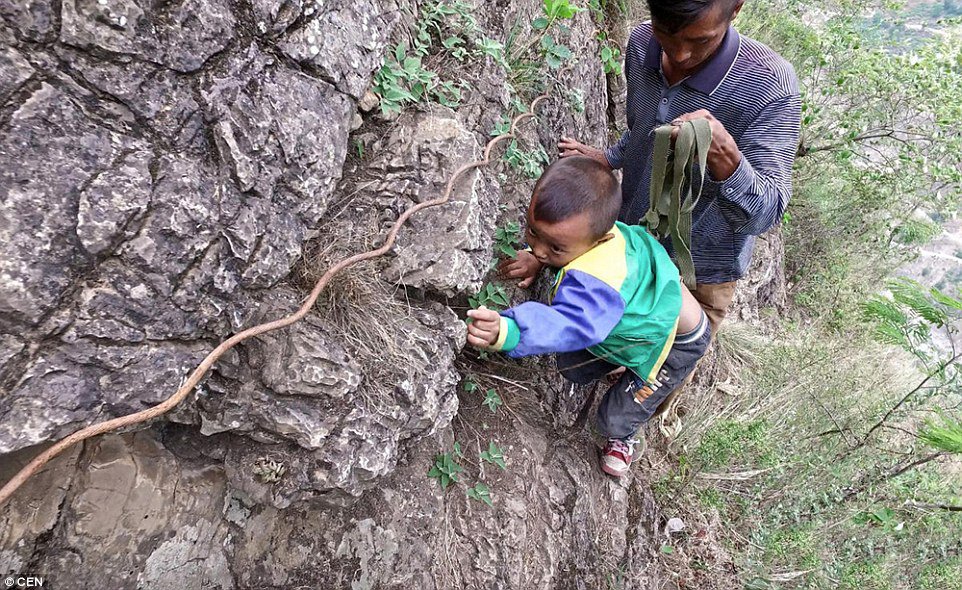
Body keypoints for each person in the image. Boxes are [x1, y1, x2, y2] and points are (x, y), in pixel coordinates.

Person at [506, 0, 802, 336]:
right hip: (624, 243)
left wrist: (725, 158)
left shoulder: (769, 87)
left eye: (700, 40)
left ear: (735, 9)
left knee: (655, 377)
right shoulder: (642, 45)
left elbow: (766, 213)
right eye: (667, 34)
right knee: (601, 346)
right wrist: (610, 157)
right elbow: (643, 124)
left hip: (695, 275)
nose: (679, 55)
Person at [467, 157, 711, 477]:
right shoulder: (591, 236)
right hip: (642, 313)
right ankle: (619, 358)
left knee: (611, 418)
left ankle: (624, 436)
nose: (539, 249)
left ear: (596, 241)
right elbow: (559, 251)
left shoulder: (600, 280)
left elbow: (574, 322)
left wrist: (510, 330)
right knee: (572, 366)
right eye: (533, 233)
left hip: (674, 343)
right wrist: (541, 259)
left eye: (554, 248)